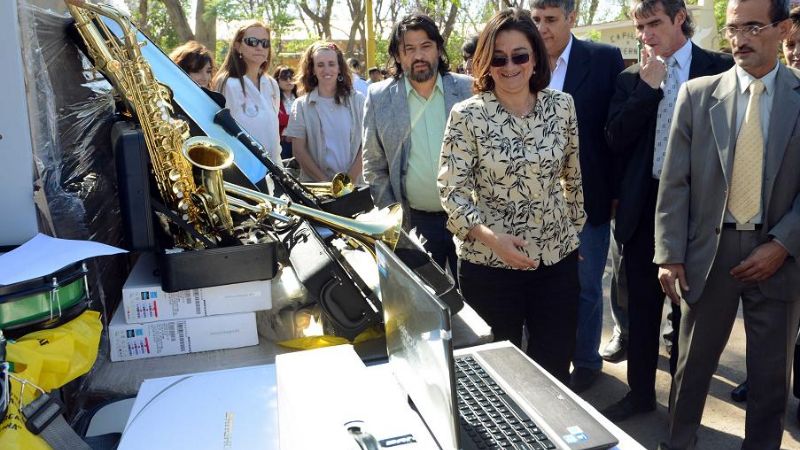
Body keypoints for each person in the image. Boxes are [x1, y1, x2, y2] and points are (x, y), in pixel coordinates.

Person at [656, 0, 800, 446]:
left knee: (771, 377)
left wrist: (782, 244)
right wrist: (669, 254)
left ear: (782, 29)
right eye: (733, 28)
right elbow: (675, 182)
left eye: (753, 27)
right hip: (708, 254)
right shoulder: (697, 95)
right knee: (691, 367)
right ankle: (678, 442)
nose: (739, 39)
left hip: (778, 255)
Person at [439, 8, 584, 383]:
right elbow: (451, 191)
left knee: (553, 369)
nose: (509, 66)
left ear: (535, 56)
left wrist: (572, 233)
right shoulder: (466, 115)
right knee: (497, 376)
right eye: (498, 58)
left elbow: (573, 178)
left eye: (519, 55)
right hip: (489, 267)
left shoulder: (562, 106)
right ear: (485, 63)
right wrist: (491, 240)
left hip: (556, 263)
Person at [603, 0, 732, 422]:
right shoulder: (630, 78)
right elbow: (615, 140)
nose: (645, 35)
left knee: (688, 317)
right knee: (640, 312)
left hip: (700, 213)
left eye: (654, 23)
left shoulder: (720, 68)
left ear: (680, 18)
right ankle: (640, 394)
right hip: (645, 211)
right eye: (640, 26)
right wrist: (646, 89)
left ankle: (683, 407)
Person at [531, 0, 625, 393]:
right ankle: (539, 357)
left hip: (588, 202)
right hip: (531, 202)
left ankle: (586, 360)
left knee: (586, 285)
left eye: (550, 20)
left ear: (573, 18)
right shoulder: (520, 57)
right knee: (538, 284)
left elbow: (617, 133)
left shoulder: (603, 60)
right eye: (536, 19)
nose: (542, 28)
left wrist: (616, 192)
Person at [362, 13, 472, 279]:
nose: (418, 55)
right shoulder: (379, 98)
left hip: (470, 220)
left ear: (438, 49)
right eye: (408, 49)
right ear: (398, 56)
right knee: (429, 308)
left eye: (425, 46)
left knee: (479, 307)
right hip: (415, 223)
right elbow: (374, 166)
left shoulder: (469, 90)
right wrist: (394, 217)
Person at [284, 42, 365, 184]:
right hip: (317, 190)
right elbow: (299, 151)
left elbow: (368, 144)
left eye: (331, 64)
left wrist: (347, 182)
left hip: (356, 187)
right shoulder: (301, 106)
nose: (326, 69)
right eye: (320, 65)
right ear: (313, 70)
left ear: (339, 68)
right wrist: (328, 185)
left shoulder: (358, 100)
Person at [212, 21, 283, 167]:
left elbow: (273, 134)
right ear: (238, 46)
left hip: (273, 170)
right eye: (252, 42)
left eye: (265, 43)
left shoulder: (271, 84)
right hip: (242, 170)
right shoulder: (226, 83)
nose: (259, 47)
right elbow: (220, 133)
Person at [273, 66, 298, 160]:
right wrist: (297, 119)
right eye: (284, 77)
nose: (288, 80)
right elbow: (277, 118)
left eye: (291, 77)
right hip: (283, 144)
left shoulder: (300, 98)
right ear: (277, 81)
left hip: (301, 142)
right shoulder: (273, 99)